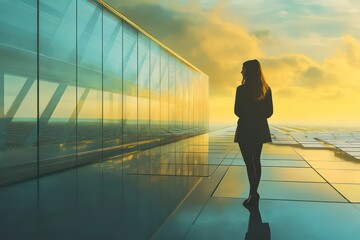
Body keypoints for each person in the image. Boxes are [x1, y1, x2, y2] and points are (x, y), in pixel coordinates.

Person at [234, 59, 273, 208]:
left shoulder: (241, 89)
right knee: (256, 160)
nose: (241, 71)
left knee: (249, 163)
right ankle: (253, 193)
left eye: (243, 68)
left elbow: (237, 111)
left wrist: (248, 114)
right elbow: (269, 112)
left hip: (245, 128)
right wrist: (257, 114)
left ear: (248, 71)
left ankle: (253, 193)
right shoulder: (266, 89)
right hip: (259, 128)